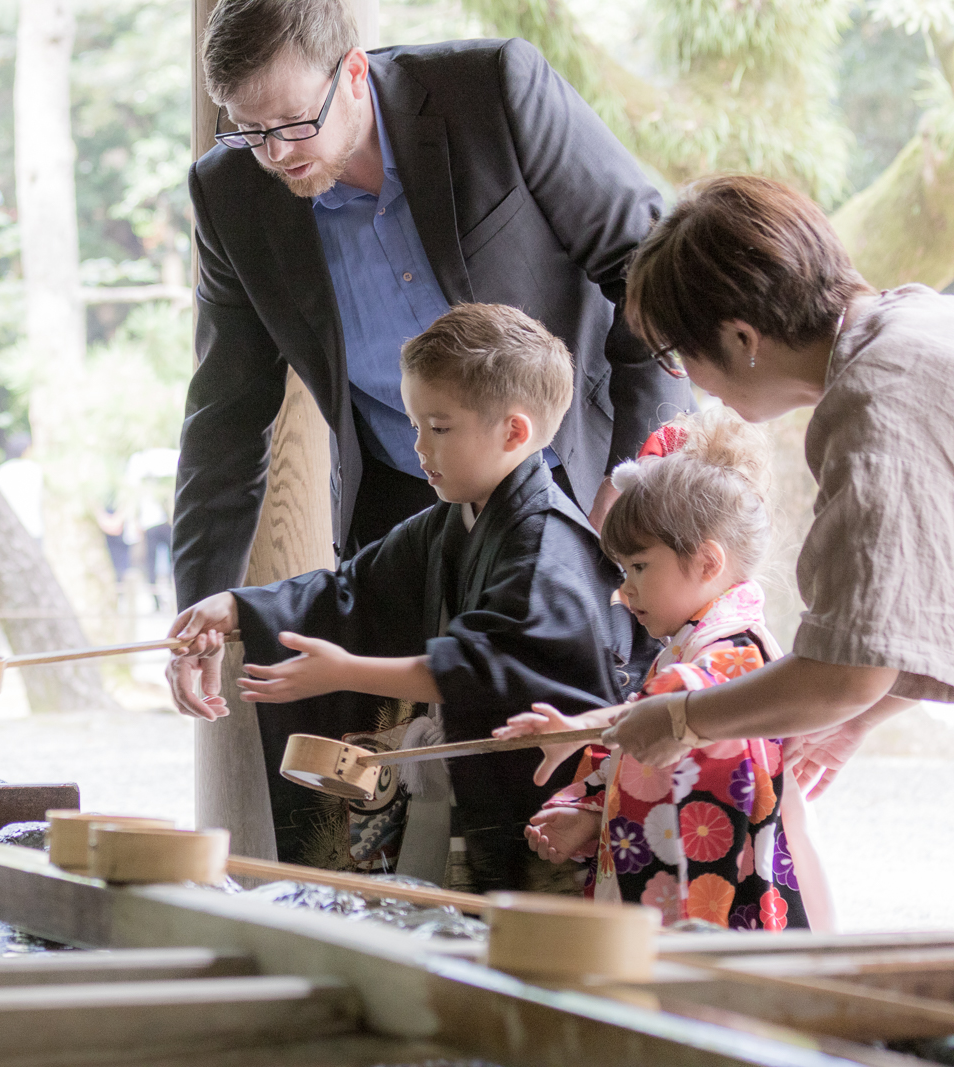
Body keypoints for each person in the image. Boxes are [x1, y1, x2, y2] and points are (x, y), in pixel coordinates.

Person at [174, 0, 692, 617]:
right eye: (250, 131)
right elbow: (226, 415)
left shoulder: (494, 89)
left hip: (578, 474)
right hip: (409, 518)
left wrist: (636, 472)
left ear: (356, 73)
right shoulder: (230, 192)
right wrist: (198, 610)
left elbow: (648, 270)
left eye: (294, 122)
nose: (278, 154)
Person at [167, 305, 648, 886]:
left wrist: (347, 671)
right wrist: (239, 606)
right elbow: (354, 590)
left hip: (557, 809)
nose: (418, 446)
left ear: (514, 431)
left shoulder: (549, 545)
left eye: (438, 428)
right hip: (476, 805)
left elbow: (490, 667)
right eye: (414, 424)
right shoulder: (453, 517)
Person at [597, 174, 954, 789]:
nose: (691, 380)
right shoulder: (912, 319)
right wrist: (857, 720)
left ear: (742, 337)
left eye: (683, 354)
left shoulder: (875, 404)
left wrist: (683, 718)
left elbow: (844, 672)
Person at [499, 410, 823, 930]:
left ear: (707, 562)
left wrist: (588, 726)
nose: (623, 591)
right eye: (624, 571)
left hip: (714, 885)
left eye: (639, 568)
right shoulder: (690, 644)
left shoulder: (735, 647)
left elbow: (688, 702)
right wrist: (585, 817)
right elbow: (654, 728)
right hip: (666, 868)